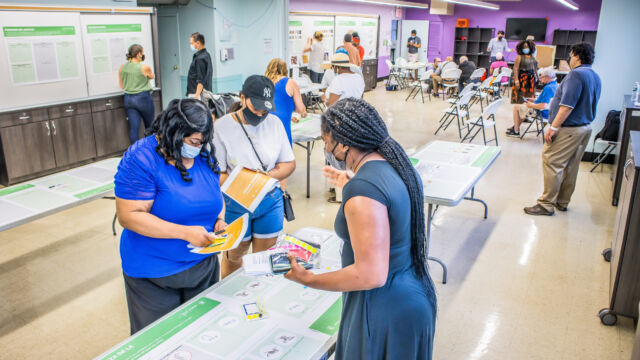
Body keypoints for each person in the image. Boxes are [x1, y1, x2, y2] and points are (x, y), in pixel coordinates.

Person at [284, 98, 437, 359]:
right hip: (410, 298)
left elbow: (371, 275)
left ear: (343, 143)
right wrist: (353, 183)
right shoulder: (396, 166)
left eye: (327, 141)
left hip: (382, 308)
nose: (327, 149)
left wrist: (308, 279)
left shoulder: (363, 190)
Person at [114, 99, 225, 334]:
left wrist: (220, 220)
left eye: (202, 141)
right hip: (155, 274)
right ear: (174, 132)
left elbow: (215, 194)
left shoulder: (204, 156)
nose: (198, 147)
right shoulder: (142, 158)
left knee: (202, 334)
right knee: (161, 340)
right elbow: (129, 216)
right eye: (193, 141)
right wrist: (184, 232)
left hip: (201, 267)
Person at [213, 75, 296, 277]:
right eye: (255, 107)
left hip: (269, 200)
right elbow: (218, 174)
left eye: (265, 109)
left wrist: (267, 177)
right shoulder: (222, 127)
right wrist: (247, 183)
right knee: (234, 257)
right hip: (236, 204)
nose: (260, 113)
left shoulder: (274, 124)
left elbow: (289, 163)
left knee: (264, 260)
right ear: (242, 98)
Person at [524, 43, 601, 216]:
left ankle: (545, 204)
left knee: (552, 162)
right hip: (585, 128)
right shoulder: (595, 76)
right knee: (571, 166)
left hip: (569, 129)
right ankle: (562, 202)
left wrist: (552, 127)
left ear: (577, 56)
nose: (569, 59)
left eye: (571, 55)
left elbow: (566, 106)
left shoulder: (575, 75)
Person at [264, 58, 308, 145]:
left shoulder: (264, 83)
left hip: (265, 124)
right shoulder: (290, 82)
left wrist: (289, 116)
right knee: (284, 155)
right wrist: (303, 112)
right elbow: (300, 109)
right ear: (284, 69)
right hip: (281, 125)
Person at [119, 44, 155, 144]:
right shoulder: (144, 67)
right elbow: (152, 77)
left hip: (128, 99)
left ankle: (135, 152)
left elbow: (122, 85)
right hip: (143, 99)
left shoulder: (123, 67)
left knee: (133, 128)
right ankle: (151, 150)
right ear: (139, 54)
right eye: (142, 53)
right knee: (150, 126)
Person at [506, 67, 558, 136]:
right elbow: (546, 101)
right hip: (550, 112)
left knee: (516, 107)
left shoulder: (548, 88)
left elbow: (544, 105)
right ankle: (516, 126)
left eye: (542, 77)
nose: (541, 80)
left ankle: (516, 131)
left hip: (542, 112)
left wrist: (531, 105)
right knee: (523, 107)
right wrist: (533, 100)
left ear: (547, 77)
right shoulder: (555, 85)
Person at [186, 32, 212, 99]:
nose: (190, 45)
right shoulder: (206, 55)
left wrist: (196, 96)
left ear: (198, 43)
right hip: (204, 93)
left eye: (191, 43)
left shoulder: (200, 58)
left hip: (198, 94)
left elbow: (201, 80)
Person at [511, 40, 538, 105]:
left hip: (531, 79)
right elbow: (516, 68)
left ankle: (528, 110)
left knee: (530, 96)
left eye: (527, 47)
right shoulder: (519, 57)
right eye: (524, 47)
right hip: (522, 78)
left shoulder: (532, 57)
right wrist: (516, 80)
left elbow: (535, 68)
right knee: (521, 97)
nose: (526, 48)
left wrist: (537, 77)